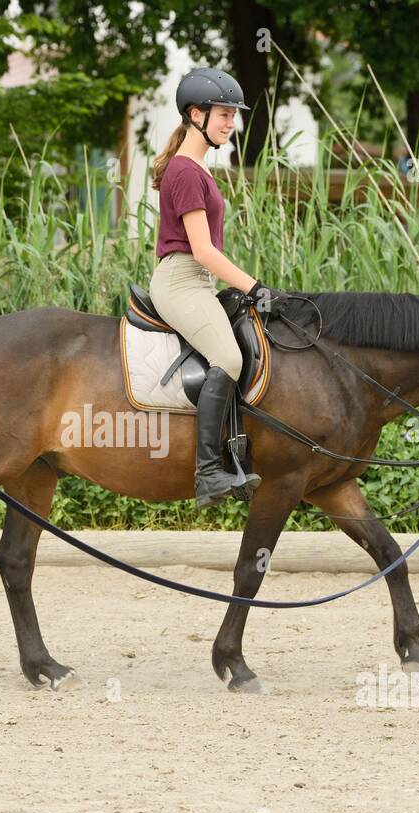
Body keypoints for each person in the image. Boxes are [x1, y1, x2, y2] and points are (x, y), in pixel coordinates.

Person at [148, 67, 278, 508]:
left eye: (233, 115)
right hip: (183, 281)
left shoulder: (193, 168)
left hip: (194, 282)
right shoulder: (185, 172)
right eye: (224, 115)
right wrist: (255, 285)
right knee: (228, 356)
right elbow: (202, 250)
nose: (231, 123)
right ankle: (207, 474)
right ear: (195, 114)